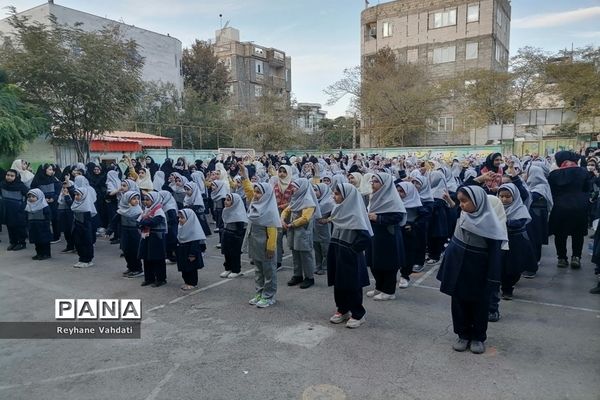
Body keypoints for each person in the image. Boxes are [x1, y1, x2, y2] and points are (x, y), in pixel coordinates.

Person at [437, 186, 506, 355]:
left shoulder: (491, 225)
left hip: (478, 272)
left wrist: (492, 279)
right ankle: (462, 334)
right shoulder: (463, 216)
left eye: (465, 201)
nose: (461, 205)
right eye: (460, 201)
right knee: (459, 303)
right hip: (458, 271)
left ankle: (477, 337)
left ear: (479, 202)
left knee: (479, 305)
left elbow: (495, 256)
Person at [327, 183, 373, 329]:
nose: (334, 196)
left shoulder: (355, 213)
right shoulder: (337, 209)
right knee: (338, 282)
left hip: (350, 255)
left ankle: (358, 313)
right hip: (337, 250)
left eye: (337, 194)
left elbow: (365, 238)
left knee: (352, 285)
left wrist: (352, 250)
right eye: (334, 193)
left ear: (347, 196)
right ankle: (342, 309)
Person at [366, 173, 406, 301]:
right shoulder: (374, 197)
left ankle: (389, 291)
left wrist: (379, 218)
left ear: (385, 184)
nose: (372, 184)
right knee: (374, 262)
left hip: (389, 236)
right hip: (375, 234)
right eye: (372, 181)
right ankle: (379, 287)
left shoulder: (392, 198)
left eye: (376, 181)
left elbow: (398, 217)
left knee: (388, 264)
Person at [548, 151, 591, 269]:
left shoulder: (554, 175)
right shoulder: (583, 172)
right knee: (578, 234)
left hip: (560, 207)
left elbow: (551, 191)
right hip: (579, 207)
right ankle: (576, 257)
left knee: (560, 234)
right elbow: (587, 188)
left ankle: (561, 258)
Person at [246, 182, 281, 308]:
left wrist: (271, 248)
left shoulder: (270, 211)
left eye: (259, 192)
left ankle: (269, 296)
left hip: (266, 247)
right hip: (256, 246)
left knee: (269, 272)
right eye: (255, 192)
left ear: (266, 194)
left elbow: (272, 232)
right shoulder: (255, 206)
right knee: (258, 271)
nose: (255, 195)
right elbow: (248, 191)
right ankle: (259, 293)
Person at [281, 178, 321, 289]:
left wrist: (291, 224)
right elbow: (287, 210)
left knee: (305, 255)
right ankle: (297, 275)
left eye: (295, 187)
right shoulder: (295, 199)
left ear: (302, 188)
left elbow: (305, 218)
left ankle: (309, 277)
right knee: (295, 253)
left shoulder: (308, 201)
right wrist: (282, 219)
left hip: (303, 232)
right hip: (293, 231)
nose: (293, 189)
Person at [396, 181, 428, 288]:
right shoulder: (394, 202)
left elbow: (424, 218)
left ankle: (405, 276)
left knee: (408, 255)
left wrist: (413, 225)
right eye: (397, 191)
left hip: (408, 233)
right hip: (395, 231)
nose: (398, 193)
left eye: (401, 191)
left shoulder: (417, 204)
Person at [523, 165, 553, 278]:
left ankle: (532, 266)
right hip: (536, 216)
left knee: (533, 240)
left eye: (526, 173)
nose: (524, 175)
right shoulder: (534, 185)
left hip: (536, 217)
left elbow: (529, 197)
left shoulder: (540, 187)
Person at [108, 191, 143, 277]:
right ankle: (130, 267)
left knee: (134, 251)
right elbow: (115, 221)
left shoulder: (139, 211)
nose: (136, 200)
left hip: (135, 233)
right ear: (126, 200)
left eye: (137, 198)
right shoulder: (122, 211)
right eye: (134, 199)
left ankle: (138, 269)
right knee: (126, 250)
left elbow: (142, 222)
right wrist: (110, 230)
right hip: (124, 232)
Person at [138, 192, 168, 287]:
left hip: (156, 238)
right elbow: (138, 222)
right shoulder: (146, 210)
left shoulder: (158, 210)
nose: (145, 202)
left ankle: (160, 279)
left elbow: (154, 222)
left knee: (157, 258)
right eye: (144, 200)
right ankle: (149, 278)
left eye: (148, 200)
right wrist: (143, 222)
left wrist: (143, 222)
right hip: (147, 236)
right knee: (146, 258)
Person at [66, 186, 97, 268]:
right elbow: (71, 205)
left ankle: (87, 260)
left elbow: (89, 220)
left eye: (78, 195)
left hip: (85, 228)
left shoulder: (87, 205)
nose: (76, 197)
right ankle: (82, 259)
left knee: (86, 243)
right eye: (75, 195)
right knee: (78, 243)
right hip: (77, 226)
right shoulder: (76, 204)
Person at [176, 209, 207, 290]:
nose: (179, 220)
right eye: (179, 218)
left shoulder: (193, 230)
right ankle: (186, 281)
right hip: (183, 251)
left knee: (191, 269)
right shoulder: (181, 227)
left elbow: (195, 244)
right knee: (184, 269)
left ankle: (192, 283)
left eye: (182, 218)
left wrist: (192, 254)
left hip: (190, 253)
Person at [220, 193, 248, 278]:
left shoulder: (238, 213)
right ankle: (228, 268)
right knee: (227, 253)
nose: (225, 201)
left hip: (234, 237)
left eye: (228, 200)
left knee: (234, 255)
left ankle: (236, 270)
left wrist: (237, 238)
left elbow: (240, 229)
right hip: (226, 234)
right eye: (225, 199)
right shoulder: (226, 210)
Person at [1, 169, 28, 250]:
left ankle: (22, 243)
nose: (9, 177)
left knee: (19, 227)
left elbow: (28, 195)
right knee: (10, 226)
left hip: (18, 210)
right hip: (7, 209)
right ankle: (13, 242)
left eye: (12, 176)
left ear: (16, 177)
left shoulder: (20, 186)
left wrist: (23, 206)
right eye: (7, 175)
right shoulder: (2, 184)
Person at [273, 165, 294, 270]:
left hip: (290, 213)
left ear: (288, 173)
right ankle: (278, 261)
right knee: (278, 238)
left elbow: (295, 200)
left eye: (284, 172)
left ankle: (297, 261)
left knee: (292, 238)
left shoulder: (292, 185)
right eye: (280, 171)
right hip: (277, 213)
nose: (281, 174)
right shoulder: (276, 185)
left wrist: (284, 206)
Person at [313, 183, 334, 275]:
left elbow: (335, 215)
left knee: (325, 247)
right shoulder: (314, 201)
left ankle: (326, 266)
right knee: (316, 247)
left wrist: (327, 220)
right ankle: (318, 266)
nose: (314, 192)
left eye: (316, 190)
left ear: (322, 191)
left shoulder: (329, 202)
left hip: (325, 227)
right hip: (315, 227)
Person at [25, 188, 52, 260]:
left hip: (42, 226)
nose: (31, 199)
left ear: (39, 197)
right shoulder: (28, 206)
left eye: (33, 197)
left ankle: (46, 254)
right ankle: (39, 253)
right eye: (29, 197)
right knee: (36, 241)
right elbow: (26, 216)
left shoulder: (44, 206)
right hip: (33, 226)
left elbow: (48, 216)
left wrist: (45, 225)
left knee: (44, 241)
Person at [159, 190, 179, 264]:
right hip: (168, 227)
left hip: (171, 228)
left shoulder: (169, 207)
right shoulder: (164, 205)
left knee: (171, 242)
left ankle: (173, 257)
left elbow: (173, 219)